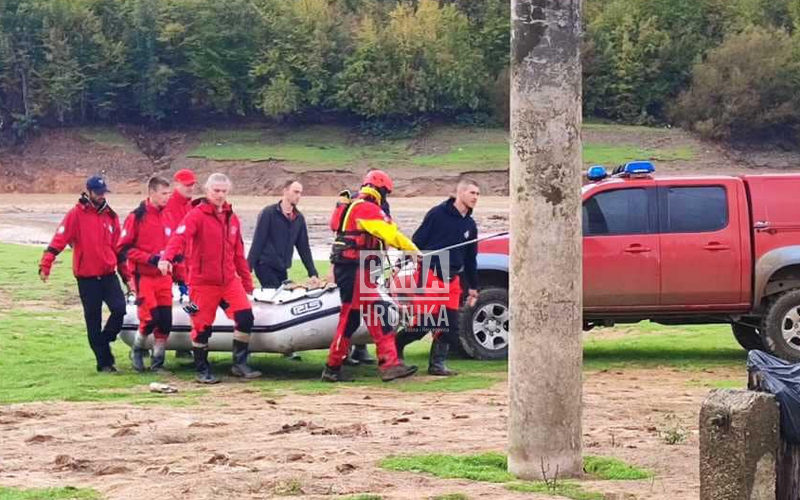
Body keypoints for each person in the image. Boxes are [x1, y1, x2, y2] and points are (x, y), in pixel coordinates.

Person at [159, 173, 260, 384]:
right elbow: (179, 237)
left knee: (245, 318)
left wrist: (247, 282)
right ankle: (202, 368)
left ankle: (239, 363)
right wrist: (166, 258)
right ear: (207, 191)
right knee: (202, 326)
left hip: (229, 282)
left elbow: (239, 253)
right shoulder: (196, 215)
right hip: (202, 283)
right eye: (216, 190)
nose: (220, 195)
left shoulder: (232, 218)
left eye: (224, 191)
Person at [322, 169, 419, 382]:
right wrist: (412, 250)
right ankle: (387, 364)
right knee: (368, 314)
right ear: (380, 190)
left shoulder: (355, 205)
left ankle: (335, 367)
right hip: (354, 268)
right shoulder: (366, 208)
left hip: (354, 268)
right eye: (386, 193)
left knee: (356, 317)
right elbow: (389, 233)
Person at [39, 175, 126, 372]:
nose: (102, 197)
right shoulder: (75, 215)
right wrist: (46, 264)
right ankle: (105, 363)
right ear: (88, 191)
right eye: (98, 193)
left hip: (108, 274)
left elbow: (118, 249)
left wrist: (127, 277)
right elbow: (59, 239)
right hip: (87, 278)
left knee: (120, 308)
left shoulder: (111, 216)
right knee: (93, 320)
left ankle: (104, 339)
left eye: (104, 193)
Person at [395, 178, 481, 376]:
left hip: (453, 278)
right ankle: (396, 345)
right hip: (430, 272)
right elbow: (416, 242)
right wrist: (405, 261)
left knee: (449, 324)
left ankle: (437, 364)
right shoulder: (437, 214)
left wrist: (473, 287)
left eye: (478, 194)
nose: (475, 197)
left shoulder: (470, 224)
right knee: (426, 322)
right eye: (472, 193)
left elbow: (470, 259)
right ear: (460, 193)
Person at [117, 176, 174, 373]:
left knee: (166, 321)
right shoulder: (137, 216)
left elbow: (174, 244)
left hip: (164, 277)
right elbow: (124, 249)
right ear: (152, 193)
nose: (168, 197)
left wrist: (177, 263)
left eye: (169, 193)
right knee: (149, 319)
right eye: (164, 194)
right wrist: (150, 259)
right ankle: (138, 349)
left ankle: (158, 362)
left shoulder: (168, 215)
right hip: (144, 276)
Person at [163, 169, 195, 359]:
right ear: (177, 185)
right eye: (187, 185)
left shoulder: (190, 206)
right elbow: (170, 237)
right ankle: (152, 343)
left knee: (191, 306)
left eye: (192, 185)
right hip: (172, 266)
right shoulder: (169, 206)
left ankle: (183, 345)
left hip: (188, 267)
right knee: (165, 305)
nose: (190, 188)